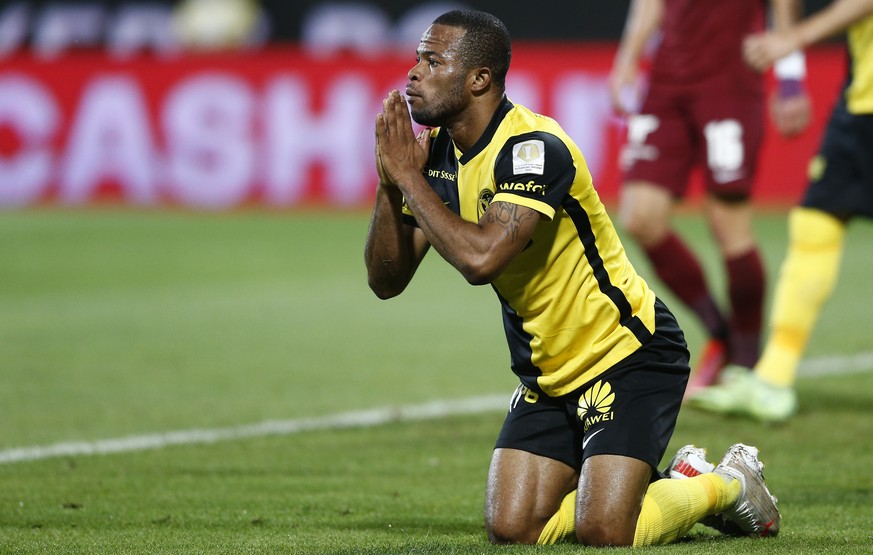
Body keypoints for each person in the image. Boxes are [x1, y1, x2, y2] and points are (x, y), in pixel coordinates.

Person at [364, 8, 781, 546]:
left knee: (604, 530)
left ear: (479, 79)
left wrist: (406, 176)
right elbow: (385, 280)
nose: (413, 72)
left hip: (628, 354)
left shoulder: (534, 150)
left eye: (432, 59)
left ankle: (725, 484)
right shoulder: (435, 156)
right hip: (547, 374)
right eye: (416, 58)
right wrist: (390, 185)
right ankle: (653, 482)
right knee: (514, 529)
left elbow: (481, 259)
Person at [608, 0, 813, 397]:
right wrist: (628, 59)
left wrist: (791, 81)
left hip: (730, 80)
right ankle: (724, 336)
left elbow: (785, 9)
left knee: (728, 224)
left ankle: (748, 364)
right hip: (667, 80)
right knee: (641, 218)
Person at [688, 0, 873, 422]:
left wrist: (796, 37)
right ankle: (772, 380)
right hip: (862, 97)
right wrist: (791, 79)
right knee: (816, 222)